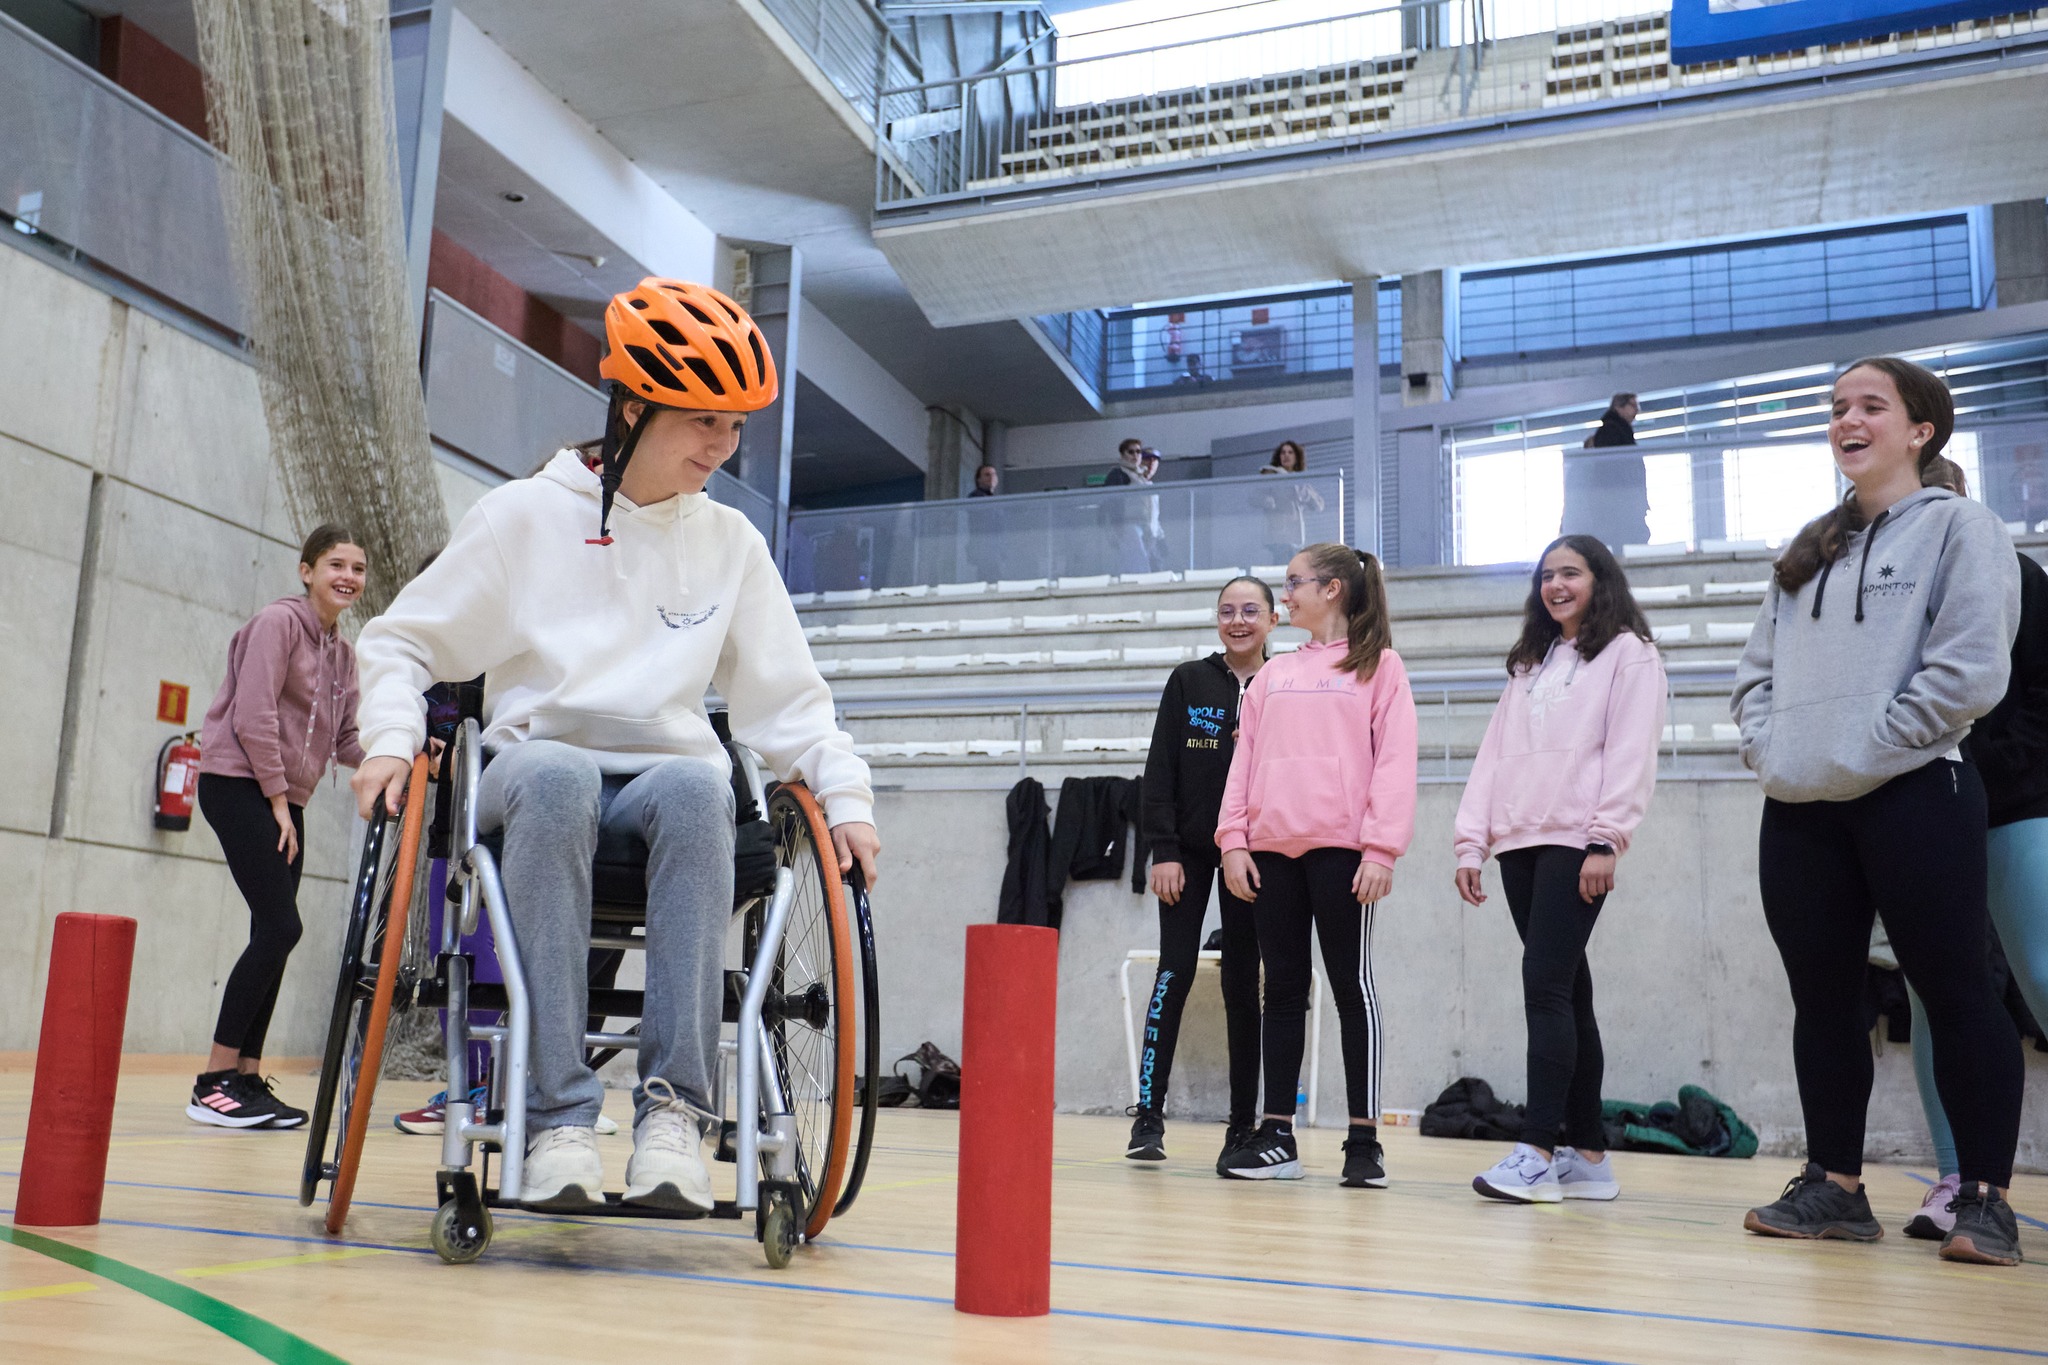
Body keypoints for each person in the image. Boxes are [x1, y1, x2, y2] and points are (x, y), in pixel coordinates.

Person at [352, 277, 880, 1213]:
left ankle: (675, 1117)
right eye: (703, 421)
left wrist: (845, 798)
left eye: (735, 427)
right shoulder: (522, 517)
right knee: (557, 773)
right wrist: (391, 736)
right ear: (633, 406)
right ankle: (558, 1117)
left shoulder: (731, 544)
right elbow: (400, 641)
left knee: (700, 786)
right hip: (531, 772)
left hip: (660, 787)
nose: (723, 446)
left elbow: (790, 704)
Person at [1731, 356, 2026, 1267]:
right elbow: (1754, 677)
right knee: (1823, 1000)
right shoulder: (1807, 549)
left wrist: (1874, 743)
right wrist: (1777, 750)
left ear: (1920, 429)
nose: (1846, 421)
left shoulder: (1963, 528)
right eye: (1836, 408)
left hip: (1916, 789)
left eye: (1870, 406)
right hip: (1800, 804)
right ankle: (1837, 1187)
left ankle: (1984, 1199)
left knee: (1957, 990)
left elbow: (1971, 667)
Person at [1453, 534, 1666, 1203]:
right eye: (1546, 575)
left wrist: (1607, 839)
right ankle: (1590, 1156)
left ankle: (1538, 1150)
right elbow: (1492, 756)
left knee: (1544, 986)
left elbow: (1632, 752)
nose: (1555, 585)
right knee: (1569, 992)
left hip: (1578, 840)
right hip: (1519, 841)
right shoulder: (1530, 663)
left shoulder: (1630, 654)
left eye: (1570, 572)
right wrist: (1471, 842)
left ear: (1600, 580)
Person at [1216, 543, 1418, 1187]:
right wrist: (1233, 840)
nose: (1286, 594)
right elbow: (1243, 763)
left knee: (1351, 987)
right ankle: (1277, 1135)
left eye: (1294, 582)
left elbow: (1395, 763)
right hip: (1270, 853)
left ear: (1332, 589)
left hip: (1344, 855)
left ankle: (1364, 1143)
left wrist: (1381, 849)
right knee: (1281, 990)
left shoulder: (1380, 666)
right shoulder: (1272, 675)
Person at [1896, 457, 2048, 1243]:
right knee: (1936, 995)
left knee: (2044, 972)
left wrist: (1987, 772)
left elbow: (2041, 696)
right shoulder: (1886, 596)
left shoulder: (2019, 575)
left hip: (2020, 803)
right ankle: (1958, 1179)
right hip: (1927, 812)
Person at [188, 525, 367, 1129]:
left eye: (358, 568)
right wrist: (276, 801)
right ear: (307, 571)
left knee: (273, 932)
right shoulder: (277, 623)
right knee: (281, 926)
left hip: (285, 798)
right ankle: (212, 1083)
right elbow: (253, 714)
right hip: (239, 783)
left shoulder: (343, 654)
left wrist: (408, 755)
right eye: (336, 564)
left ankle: (245, 1077)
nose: (348, 576)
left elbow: (346, 740)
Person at [1127, 576, 1275, 1172]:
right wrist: (1162, 850)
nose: (1237, 621)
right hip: (1185, 853)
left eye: (1250, 611)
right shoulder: (1188, 680)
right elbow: (1159, 768)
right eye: (1227, 611)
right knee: (1176, 969)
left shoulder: (1283, 683)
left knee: (1243, 982)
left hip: (1251, 852)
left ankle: (1242, 1125)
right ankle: (1148, 1113)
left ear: (1272, 620)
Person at [1563, 392, 1647, 552]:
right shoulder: (1613, 431)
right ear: (1619, 407)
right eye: (1633, 405)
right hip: (1619, 504)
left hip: (1620, 503)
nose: (1637, 410)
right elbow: (1614, 470)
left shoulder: (1618, 431)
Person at [1256, 440, 1326, 566]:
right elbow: (1255, 497)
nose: (1286, 455)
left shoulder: (1301, 480)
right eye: (1283, 453)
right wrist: (1267, 501)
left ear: (1296, 457)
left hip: (1297, 537)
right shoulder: (1272, 476)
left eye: (1290, 452)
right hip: (1279, 536)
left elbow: (1319, 505)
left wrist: (1304, 492)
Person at [1104, 439, 1154, 574]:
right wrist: (1117, 525)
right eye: (1131, 452)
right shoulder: (1118, 474)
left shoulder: (1142, 476)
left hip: (1143, 524)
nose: (1135, 455)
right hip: (1127, 523)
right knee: (1138, 558)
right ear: (1123, 455)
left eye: (1138, 452)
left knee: (1133, 559)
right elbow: (1110, 502)